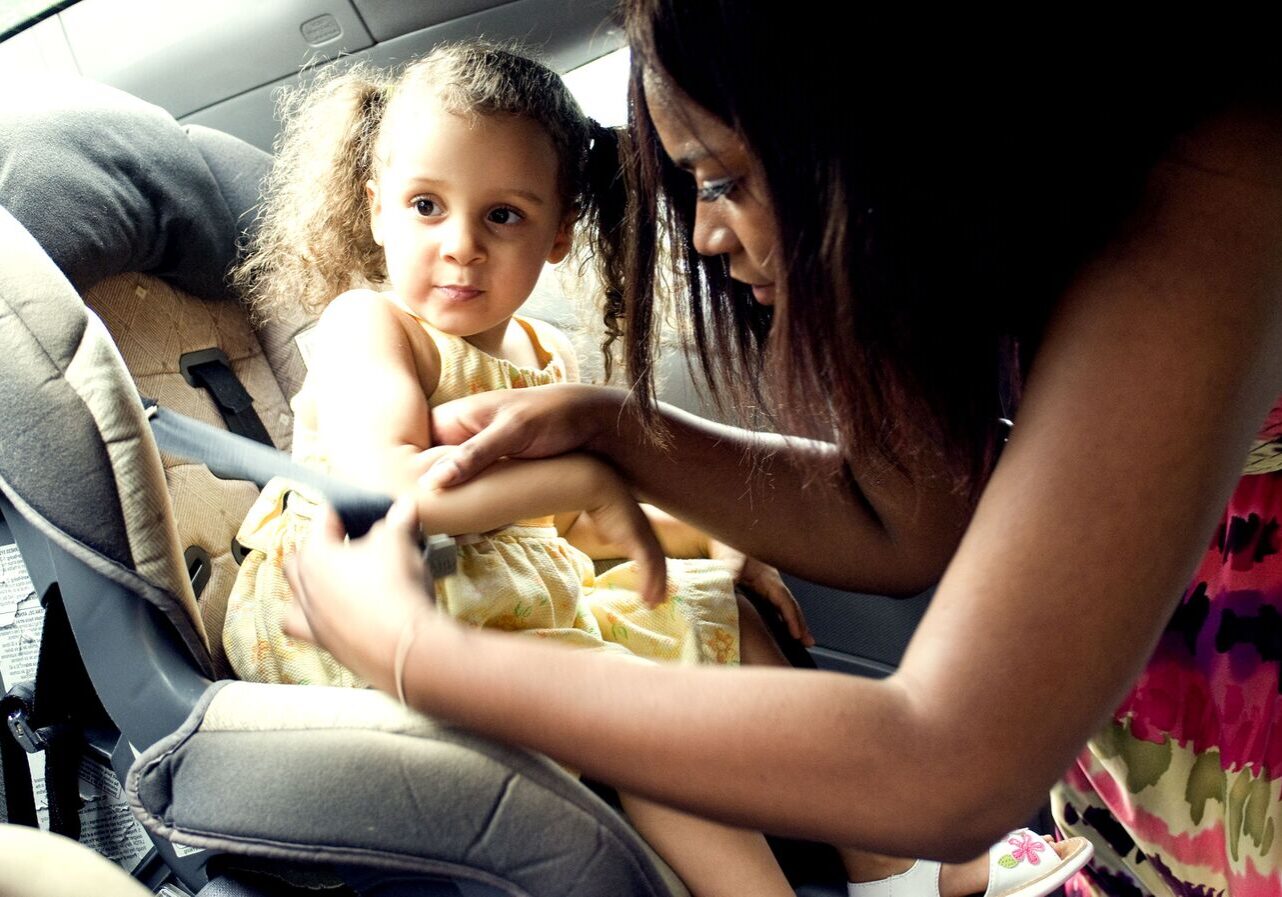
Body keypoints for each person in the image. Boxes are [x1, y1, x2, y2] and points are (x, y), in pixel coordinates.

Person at [219, 39, 1074, 897]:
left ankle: (890, 873)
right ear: (375, 210)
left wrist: (717, 539)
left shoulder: (539, 350)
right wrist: (589, 479)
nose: (462, 246)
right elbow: (394, 490)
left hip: (504, 593)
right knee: (642, 702)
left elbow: (574, 530)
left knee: (718, 607)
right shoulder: (371, 325)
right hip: (359, 601)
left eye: (503, 217)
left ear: (558, 237)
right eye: (426, 206)